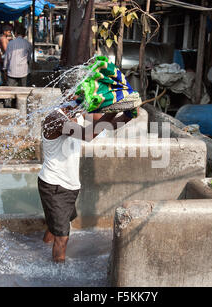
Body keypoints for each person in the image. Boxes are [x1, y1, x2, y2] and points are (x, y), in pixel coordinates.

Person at [38, 58, 144, 263]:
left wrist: (127, 115)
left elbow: (102, 129)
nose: (88, 96)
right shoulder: (56, 118)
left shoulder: (77, 114)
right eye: (83, 91)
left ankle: (41, 253)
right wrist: (113, 112)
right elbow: (88, 135)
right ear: (70, 94)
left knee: (56, 226)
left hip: (68, 185)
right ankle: (55, 275)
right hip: (54, 186)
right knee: (62, 237)